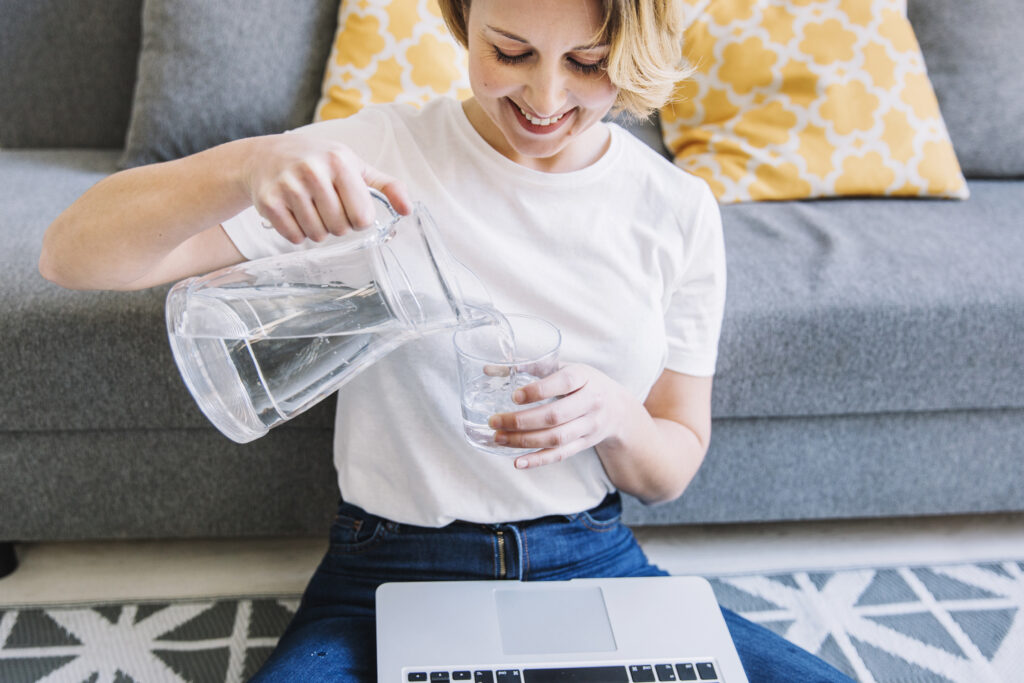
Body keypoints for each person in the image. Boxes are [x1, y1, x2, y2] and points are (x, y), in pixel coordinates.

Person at [39, 0, 854, 680]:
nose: (544, 95)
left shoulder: (675, 210)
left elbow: (672, 462)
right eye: (511, 50)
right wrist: (252, 164)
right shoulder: (376, 160)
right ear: (465, 19)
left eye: (589, 62)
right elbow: (70, 255)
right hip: (386, 571)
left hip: (588, 560)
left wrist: (615, 414)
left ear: (637, 52)